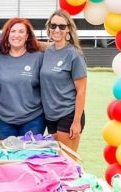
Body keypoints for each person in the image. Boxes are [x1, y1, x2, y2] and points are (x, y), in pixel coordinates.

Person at [0, 18, 45, 140]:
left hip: (33, 120)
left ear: (27, 36)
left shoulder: (38, 57)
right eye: (13, 31)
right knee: (8, 158)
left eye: (21, 32)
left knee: (30, 157)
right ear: (7, 34)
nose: (16, 35)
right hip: (5, 122)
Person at [40, 9, 87, 152]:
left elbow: (81, 91)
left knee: (68, 161)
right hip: (50, 116)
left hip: (68, 114)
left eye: (62, 26)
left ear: (68, 29)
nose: (57, 29)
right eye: (53, 25)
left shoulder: (75, 54)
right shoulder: (48, 50)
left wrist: (76, 122)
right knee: (56, 161)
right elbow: (29, 41)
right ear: (49, 28)